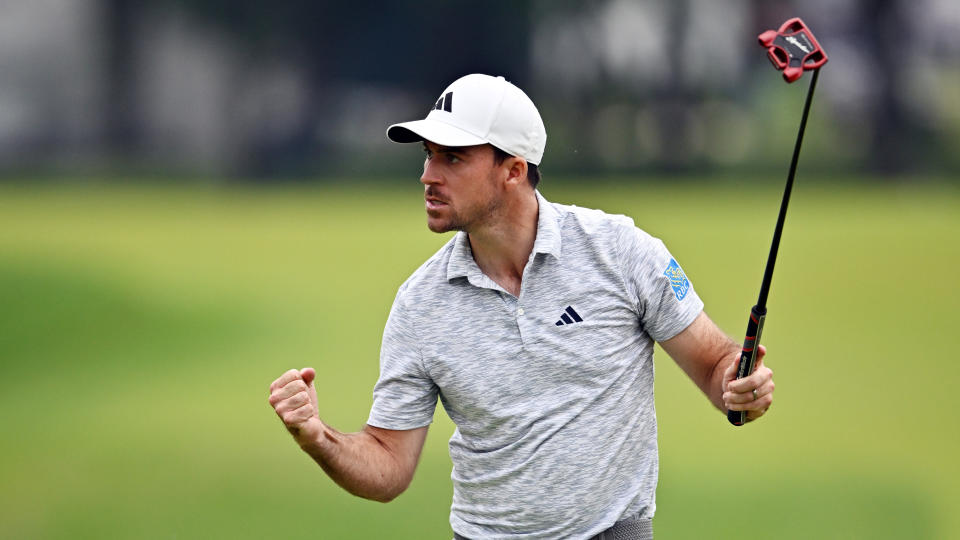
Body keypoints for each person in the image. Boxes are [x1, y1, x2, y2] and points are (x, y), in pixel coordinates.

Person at [268, 74, 774, 540]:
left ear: (513, 170)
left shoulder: (620, 251)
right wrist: (318, 437)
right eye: (428, 155)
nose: (427, 175)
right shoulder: (420, 303)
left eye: (453, 158)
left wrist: (740, 382)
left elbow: (714, 365)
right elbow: (387, 468)